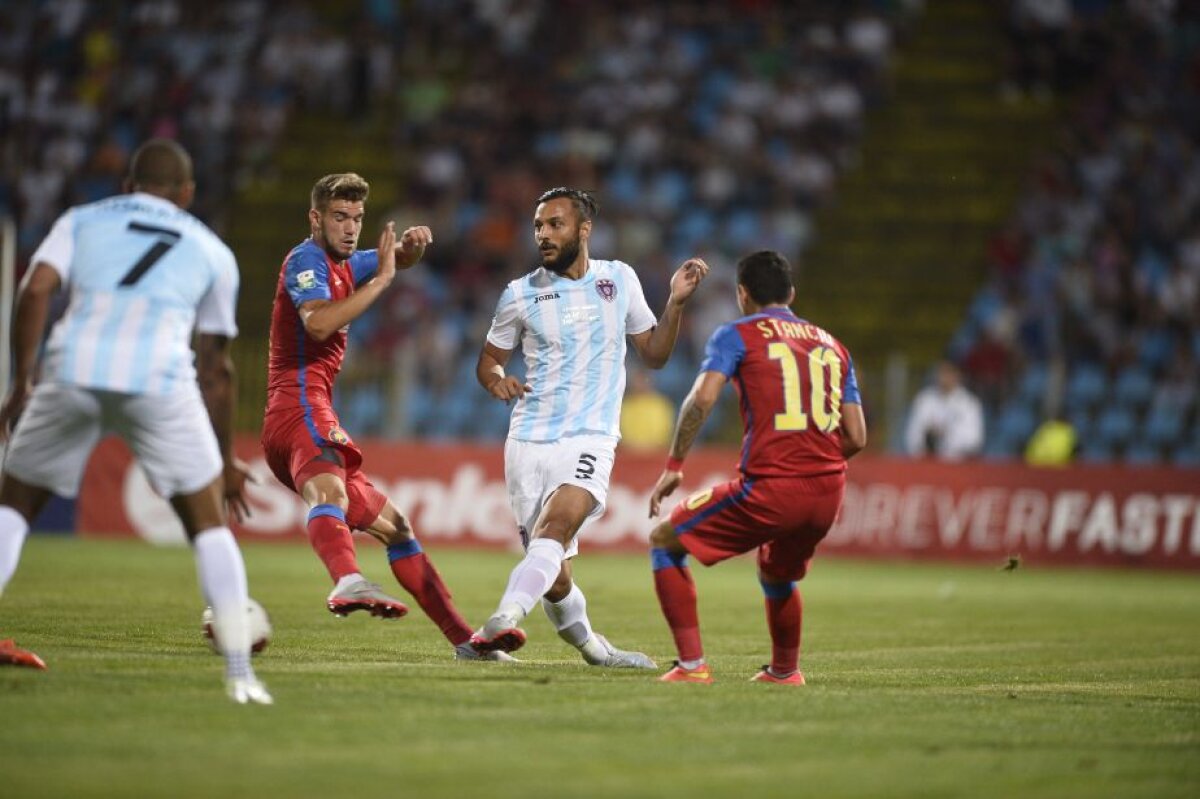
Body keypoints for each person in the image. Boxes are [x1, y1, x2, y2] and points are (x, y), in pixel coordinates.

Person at [0, 139, 271, 704]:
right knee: (207, 526)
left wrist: (20, 382)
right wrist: (223, 463)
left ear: (127, 185)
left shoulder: (81, 220)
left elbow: (35, 289)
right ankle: (241, 674)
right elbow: (216, 368)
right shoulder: (213, 249)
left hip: (72, 368)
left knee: (14, 507)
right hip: (159, 379)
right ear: (188, 194)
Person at [260, 173, 504, 661]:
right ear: (315, 219)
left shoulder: (347, 260)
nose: (351, 229)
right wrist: (387, 278)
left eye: (357, 219)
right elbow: (320, 321)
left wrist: (409, 250)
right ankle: (348, 580)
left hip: (313, 407)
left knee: (398, 529)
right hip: (297, 404)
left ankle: (466, 643)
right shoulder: (305, 260)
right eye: (339, 218)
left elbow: (393, 260)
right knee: (327, 492)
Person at [469, 187, 709, 665]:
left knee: (556, 528)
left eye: (554, 224)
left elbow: (655, 355)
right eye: (538, 225)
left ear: (584, 230)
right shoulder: (520, 294)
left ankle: (500, 622)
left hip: (590, 437)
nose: (543, 234)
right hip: (527, 441)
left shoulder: (618, 280)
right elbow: (489, 361)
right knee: (555, 572)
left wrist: (676, 304)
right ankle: (596, 651)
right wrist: (496, 381)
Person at [645, 250, 867, 684]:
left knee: (664, 541)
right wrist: (813, 464)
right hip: (827, 493)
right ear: (792, 293)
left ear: (742, 294)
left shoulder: (736, 335)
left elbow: (702, 399)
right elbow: (857, 437)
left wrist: (674, 463)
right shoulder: (834, 346)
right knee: (778, 571)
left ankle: (691, 666)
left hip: (771, 488)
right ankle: (785, 671)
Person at [904, 360, 984, 461]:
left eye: (948, 372)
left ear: (957, 375)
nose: (943, 377)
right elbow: (913, 435)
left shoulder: (969, 403)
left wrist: (943, 437)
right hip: (927, 463)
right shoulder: (924, 399)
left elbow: (973, 440)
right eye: (941, 372)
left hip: (958, 465)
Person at [619, 367, 675, 452]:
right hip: (629, 455)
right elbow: (621, 434)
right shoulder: (624, 406)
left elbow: (665, 435)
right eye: (638, 381)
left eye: (644, 380)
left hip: (655, 455)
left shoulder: (662, 405)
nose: (641, 384)